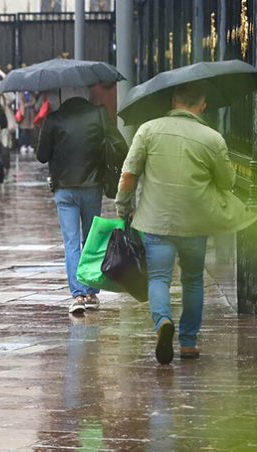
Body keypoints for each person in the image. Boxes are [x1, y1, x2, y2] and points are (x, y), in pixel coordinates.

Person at [115, 82, 257, 365]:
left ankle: (163, 322)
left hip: (156, 222)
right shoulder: (212, 137)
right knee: (193, 280)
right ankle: (189, 342)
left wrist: (123, 206)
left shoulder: (148, 130)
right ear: (202, 106)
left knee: (159, 278)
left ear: (173, 100)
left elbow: (129, 174)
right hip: (195, 223)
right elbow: (227, 181)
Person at [36, 86, 127, 315]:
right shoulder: (98, 115)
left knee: (71, 243)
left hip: (64, 190)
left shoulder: (54, 119)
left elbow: (41, 155)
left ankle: (78, 295)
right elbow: (118, 145)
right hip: (91, 187)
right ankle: (91, 292)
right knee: (91, 240)